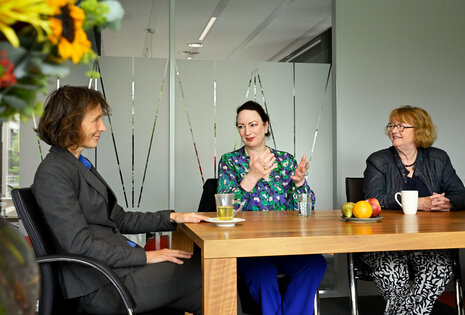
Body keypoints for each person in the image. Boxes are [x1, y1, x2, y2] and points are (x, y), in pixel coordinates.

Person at [32, 86, 208, 314]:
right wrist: (146, 256)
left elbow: (119, 218)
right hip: (100, 286)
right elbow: (79, 246)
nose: (102, 127)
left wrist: (173, 217)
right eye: (95, 120)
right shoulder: (54, 172)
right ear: (70, 122)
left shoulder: (75, 165)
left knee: (209, 292)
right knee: (206, 270)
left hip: (114, 272)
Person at [217, 100, 326, 315]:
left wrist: (299, 184)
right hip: (247, 249)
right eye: (241, 126)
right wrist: (252, 176)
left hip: (284, 245)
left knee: (315, 264)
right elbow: (226, 210)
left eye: (253, 124)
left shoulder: (286, 161)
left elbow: (307, 209)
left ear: (266, 126)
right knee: (262, 275)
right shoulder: (229, 162)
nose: (247, 131)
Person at [362, 105, 465, 315]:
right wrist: (419, 203)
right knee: (391, 272)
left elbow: (461, 194)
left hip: (428, 242)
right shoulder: (378, 160)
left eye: (401, 126)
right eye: (392, 125)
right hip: (386, 244)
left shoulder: (438, 158)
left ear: (420, 130)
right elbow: (373, 200)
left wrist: (448, 203)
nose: (394, 130)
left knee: (439, 269)